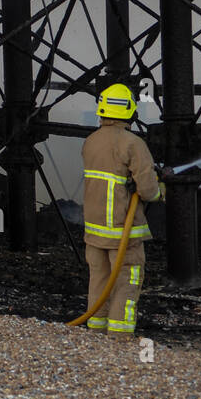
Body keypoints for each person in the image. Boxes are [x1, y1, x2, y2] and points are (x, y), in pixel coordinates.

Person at [82, 83, 165, 335]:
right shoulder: (133, 144)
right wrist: (161, 188)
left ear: (102, 109)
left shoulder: (91, 141)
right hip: (122, 233)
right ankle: (119, 336)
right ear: (131, 111)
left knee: (99, 280)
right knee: (127, 282)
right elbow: (148, 191)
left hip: (94, 231)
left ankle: (95, 330)